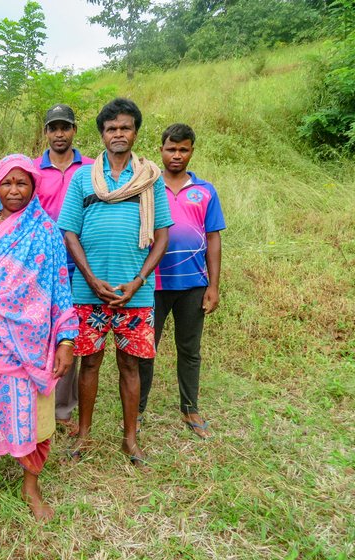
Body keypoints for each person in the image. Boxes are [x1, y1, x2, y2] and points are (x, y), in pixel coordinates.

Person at [0, 154, 78, 522]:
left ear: (34, 187)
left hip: (34, 345)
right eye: (7, 182)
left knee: (35, 415)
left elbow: (59, 289)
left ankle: (30, 486)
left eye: (22, 183)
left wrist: (66, 341)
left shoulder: (47, 231)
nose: (14, 190)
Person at [58, 98, 173, 467]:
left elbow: (162, 235)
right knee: (88, 364)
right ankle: (84, 434)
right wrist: (90, 278)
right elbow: (69, 233)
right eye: (111, 128)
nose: (118, 134)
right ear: (102, 135)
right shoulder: (82, 178)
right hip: (87, 292)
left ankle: (130, 439)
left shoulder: (150, 178)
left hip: (135, 294)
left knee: (130, 366)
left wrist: (139, 280)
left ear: (135, 132)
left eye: (124, 127)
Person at [138, 124, 225, 440]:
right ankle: (138, 408)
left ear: (191, 151)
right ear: (161, 150)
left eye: (183, 149)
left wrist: (213, 287)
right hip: (153, 284)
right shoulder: (148, 187)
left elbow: (213, 239)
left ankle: (190, 408)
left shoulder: (205, 191)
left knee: (190, 349)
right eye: (171, 149)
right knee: (146, 349)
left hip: (193, 286)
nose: (176, 155)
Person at [33, 104, 95, 433]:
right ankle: (35, 399)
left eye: (65, 127)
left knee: (69, 334)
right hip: (40, 268)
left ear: (74, 130)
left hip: (81, 265)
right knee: (40, 332)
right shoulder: (32, 170)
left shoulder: (91, 169)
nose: (59, 133)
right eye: (53, 127)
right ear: (46, 131)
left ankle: (63, 408)